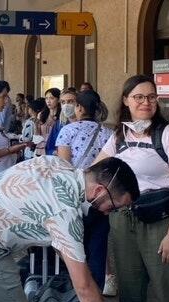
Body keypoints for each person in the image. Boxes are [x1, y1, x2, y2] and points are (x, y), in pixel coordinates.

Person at [0, 156, 139, 302]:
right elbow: (83, 287)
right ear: (98, 191)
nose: (107, 213)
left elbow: (70, 258)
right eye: (113, 207)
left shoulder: (59, 164)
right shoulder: (65, 212)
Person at [94, 74, 169, 302]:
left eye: (151, 97)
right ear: (126, 100)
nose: (146, 102)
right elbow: (95, 170)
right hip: (123, 221)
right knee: (130, 295)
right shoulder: (119, 136)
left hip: (162, 222)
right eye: (138, 97)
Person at [55, 90, 114, 291]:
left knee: (74, 249)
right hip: (99, 197)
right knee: (97, 248)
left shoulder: (68, 131)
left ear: (79, 108)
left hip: (74, 197)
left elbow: (64, 167)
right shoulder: (108, 133)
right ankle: (96, 292)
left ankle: (75, 295)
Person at [45, 89, 77, 155]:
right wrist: (57, 153)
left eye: (70, 101)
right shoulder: (59, 125)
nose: (66, 105)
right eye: (63, 102)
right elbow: (49, 148)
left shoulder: (86, 125)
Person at [37, 88, 60, 156]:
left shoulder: (62, 116)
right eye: (46, 98)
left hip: (56, 150)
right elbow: (37, 134)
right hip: (41, 149)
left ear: (58, 99)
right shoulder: (41, 114)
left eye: (51, 98)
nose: (48, 101)